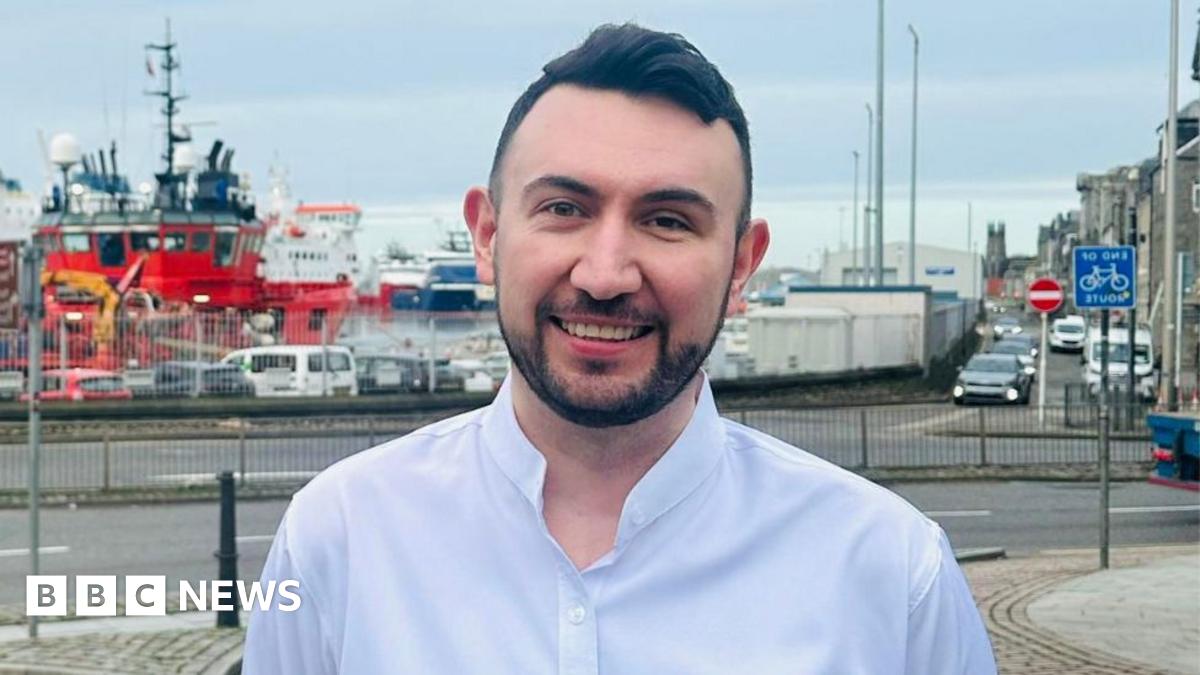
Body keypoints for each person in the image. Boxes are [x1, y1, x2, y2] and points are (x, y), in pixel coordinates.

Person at [243, 23, 997, 674]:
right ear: (488, 233)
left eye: (667, 221)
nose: (604, 275)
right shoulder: (338, 540)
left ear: (741, 265)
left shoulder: (893, 576)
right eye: (564, 208)